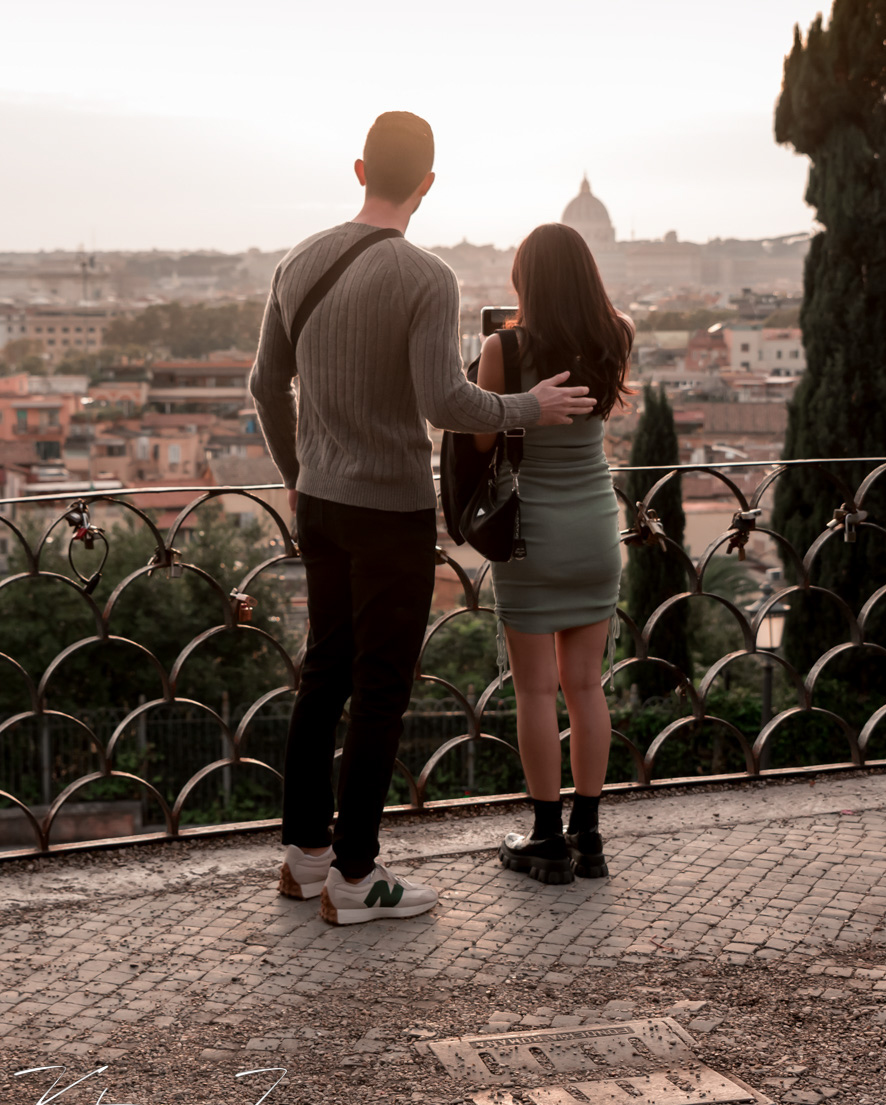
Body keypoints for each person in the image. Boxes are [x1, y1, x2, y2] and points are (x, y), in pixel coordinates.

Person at [249, 113, 596, 925]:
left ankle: (304, 859)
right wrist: (528, 405)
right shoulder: (426, 277)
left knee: (321, 676)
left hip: (323, 504)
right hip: (390, 508)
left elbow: (267, 386)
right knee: (379, 690)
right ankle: (357, 878)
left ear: (361, 166)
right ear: (428, 185)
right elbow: (445, 403)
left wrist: (298, 476)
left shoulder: (296, 261)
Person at [473, 222, 634, 883]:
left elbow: (480, 442)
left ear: (524, 279)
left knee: (536, 689)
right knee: (587, 685)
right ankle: (588, 836)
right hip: (597, 527)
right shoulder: (614, 337)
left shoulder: (501, 347)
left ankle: (544, 837)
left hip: (531, 534)